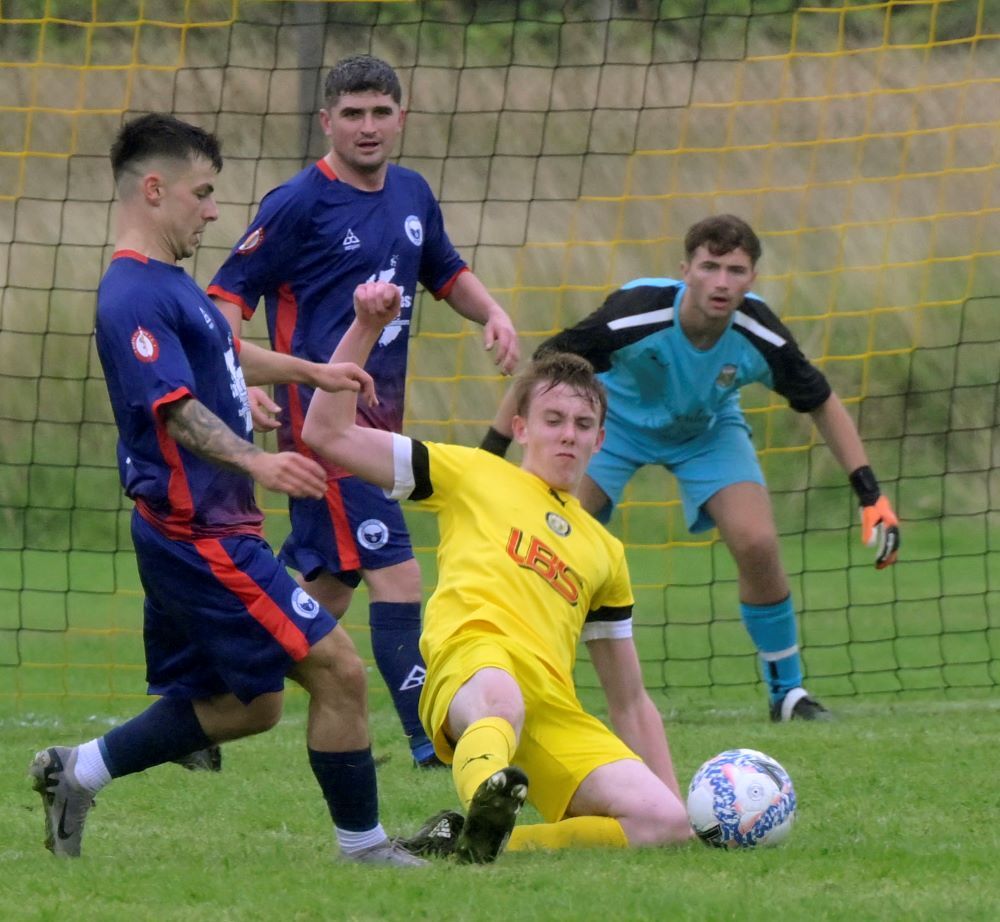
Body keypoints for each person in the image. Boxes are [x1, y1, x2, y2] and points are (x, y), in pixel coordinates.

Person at [28, 113, 423, 866]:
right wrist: (260, 462)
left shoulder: (164, 283)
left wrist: (311, 372)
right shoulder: (130, 298)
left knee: (251, 707)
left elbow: (222, 350)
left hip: (203, 530)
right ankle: (365, 849)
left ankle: (77, 770)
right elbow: (174, 409)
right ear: (155, 189)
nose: (212, 211)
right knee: (339, 670)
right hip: (200, 536)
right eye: (202, 194)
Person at [300, 281, 694, 864]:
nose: (568, 433)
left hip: (550, 705)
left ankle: (472, 838)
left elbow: (630, 700)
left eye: (583, 424)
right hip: (473, 663)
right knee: (500, 698)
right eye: (554, 418)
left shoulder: (605, 550)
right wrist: (362, 328)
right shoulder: (473, 474)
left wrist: (677, 803)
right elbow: (325, 434)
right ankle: (486, 786)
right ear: (522, 426)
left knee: (660, 824)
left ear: (600, 438)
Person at [207, 54, 519, 768]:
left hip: (379, 427)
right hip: (323, 430)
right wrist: (240, 381)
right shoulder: (296, 204)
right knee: (400, 576)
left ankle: (201, 704)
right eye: (352, 114)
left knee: (320, 596)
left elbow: (445, 270)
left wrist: (492, 313)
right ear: (327, 122)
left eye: (381, 112)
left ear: (401, 117)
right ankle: (427, 744)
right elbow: (224, 303)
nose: (368, 127)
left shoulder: (411, 192)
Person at [481, 214, 901, 722]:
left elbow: (822, 402)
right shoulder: (634, 314)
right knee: (556, 538)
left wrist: (870, 494)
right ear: (687, 270)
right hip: (616, 426)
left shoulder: (759, 333)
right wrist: (487, 463)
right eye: (710, 266)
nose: (722, 282)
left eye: (736, 270)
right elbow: (542, 372)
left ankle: (788, 695)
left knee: (757, 541)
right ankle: (523, 680)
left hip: (707, 429)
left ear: (753, 278)